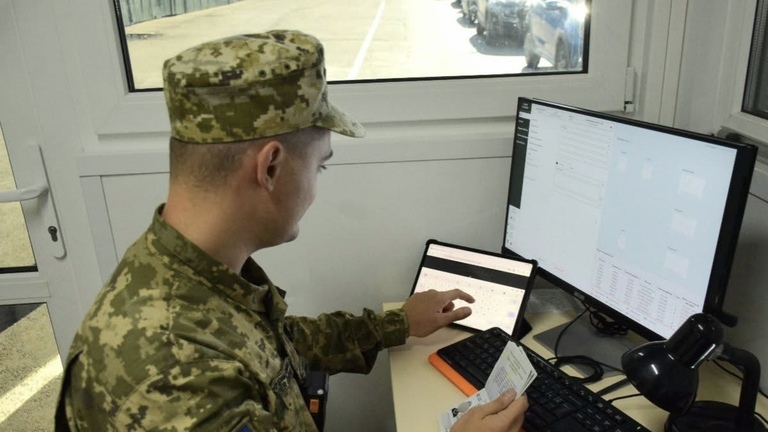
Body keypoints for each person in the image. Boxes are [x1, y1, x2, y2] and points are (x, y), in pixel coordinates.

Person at [55, 30, 528, 431]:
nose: (316, 189)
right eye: (320, 167)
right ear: (271, 167)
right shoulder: (176, 376)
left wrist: (397, 324)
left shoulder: (190, 274)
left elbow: (278, 348)